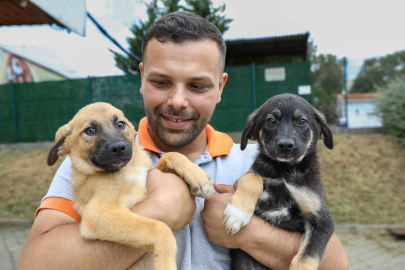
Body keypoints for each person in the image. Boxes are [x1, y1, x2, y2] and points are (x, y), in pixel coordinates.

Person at [19, 11, 349, 270]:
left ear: (220, 87)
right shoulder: (90, 163)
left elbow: (336, 264)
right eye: (161, 81)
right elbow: (34, 264)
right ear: (142, 78)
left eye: (197, 86)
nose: (178, 100)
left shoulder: (251, 164)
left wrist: (249, 233)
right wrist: (156, 211)